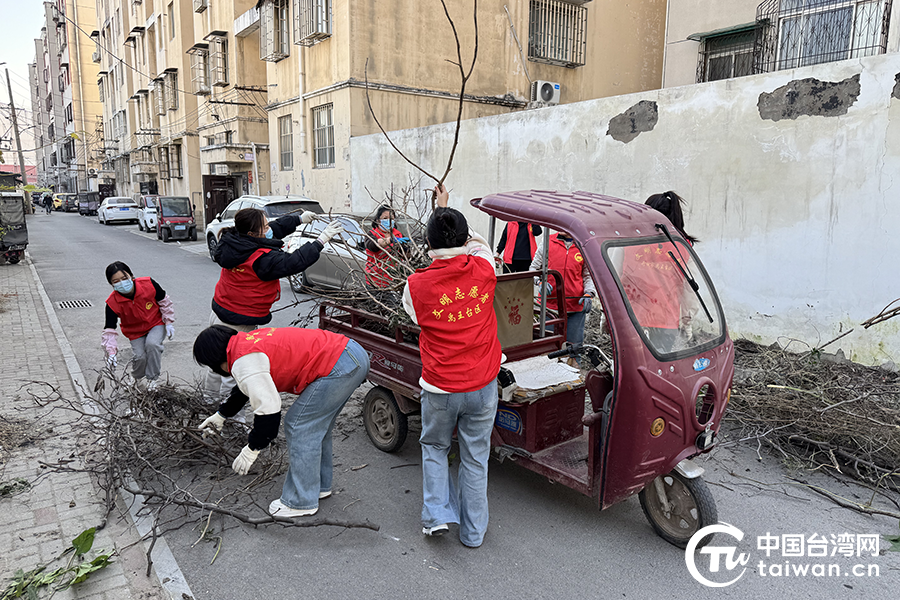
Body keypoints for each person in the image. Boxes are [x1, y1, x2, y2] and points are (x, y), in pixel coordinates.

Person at [401, 184, 502, 548]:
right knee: (476, 458)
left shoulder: (415, 285)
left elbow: (414, 317)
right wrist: (448, 212)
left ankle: (436, 516)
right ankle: (473, 534)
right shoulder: (484, 269)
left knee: (435, 448)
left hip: (441, 387)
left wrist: (437, 213)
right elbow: (477, 243)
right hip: (482, 385)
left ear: (428, 245)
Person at [193, 325, 369, 517]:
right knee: (316, 426)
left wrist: (253, 448)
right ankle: (318, 485)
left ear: (215, 361)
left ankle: (301, 501)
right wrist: (222, 414)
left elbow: (269, 410)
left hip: (338, 365)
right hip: (350, 354)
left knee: (299, 424)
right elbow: (246, 388)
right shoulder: (245, 344)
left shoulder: (244, 362)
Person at [204, 207, 343, 399]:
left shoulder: (235, 240)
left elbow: (274, 229)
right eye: (265, 226)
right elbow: (293, 262)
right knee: (233, 371)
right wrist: (321, 241)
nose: (269, 227)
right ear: (253, 233)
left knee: (215, 363)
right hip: (238, 322)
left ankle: (208, 402)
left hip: (220, 310)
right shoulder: (261, 259)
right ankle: (231, 418)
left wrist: (298, 219)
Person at [621, 191, 699, 351]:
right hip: (665, 321)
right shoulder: (682, 246)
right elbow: (690, 288)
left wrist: (605, 313)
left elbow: (612, 276)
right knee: (659, 370)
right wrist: (687, 321)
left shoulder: (627, 241)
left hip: (630, 317)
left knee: (629, 367)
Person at [100, 261, 175, 390]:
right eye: (116, 281)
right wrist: (111, 352)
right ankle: (136, 377)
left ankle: (152, 380)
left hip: (155, 323)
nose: (122, 283)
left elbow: (163, 301)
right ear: (111, 284)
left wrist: (168, 322)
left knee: (153, 345)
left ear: (131, 276)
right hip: (134, 331)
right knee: (140, 357)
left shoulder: (149, 284)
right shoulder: (112, 303)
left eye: (124, 278)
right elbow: (109, 329)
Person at [530, 232, 596, 348]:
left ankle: (574, 365)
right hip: (550, 307)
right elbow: (533, 269)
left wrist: (589, 293)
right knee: (549, 347)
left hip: (575, 306)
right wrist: (540, 282)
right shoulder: (548, 242)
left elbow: (588, 275)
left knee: (574, 348)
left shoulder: (583, 245)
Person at [364, 205, 408, 287]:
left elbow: (406, 255)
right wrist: (389, 240)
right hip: (375, 278)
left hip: (393, 279)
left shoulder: (398, 234)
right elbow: (373, 246)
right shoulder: (372, 234)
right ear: (378, 220)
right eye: (385, 218)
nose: (389, 221)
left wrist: (406, 248)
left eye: (391, 218)